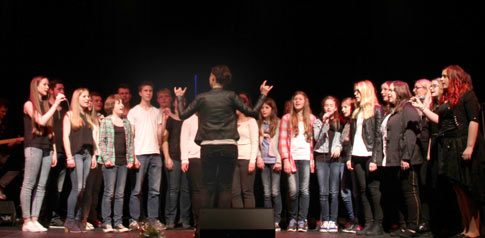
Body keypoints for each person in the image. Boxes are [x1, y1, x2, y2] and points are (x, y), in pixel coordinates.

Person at [174, 65, 273, 211]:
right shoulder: (231, 96)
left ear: (213, 78)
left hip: (208, 146)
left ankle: (206, 225)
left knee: (208, 186)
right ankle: (222, 226)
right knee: (226, 187)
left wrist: (180, 96)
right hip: (229, 146)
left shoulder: (202, 97)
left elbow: (182, 115)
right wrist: (263, 94)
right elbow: (252, 112)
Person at [411, 65, 484, 238]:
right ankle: (466, 228)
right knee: (458, 190)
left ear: (455, 77)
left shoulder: (468, 95)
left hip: (462, 142)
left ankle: (474, 230)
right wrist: (422, 108)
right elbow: (439, 120)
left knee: (467, 190)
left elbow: (474, 121)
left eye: (445, 76)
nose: (442, 79)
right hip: (450, 145)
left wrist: (470, 146)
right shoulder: (450, 99)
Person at [21, 76, 66, 232]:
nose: (47, 87)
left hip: (47, 147)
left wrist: (53, 150)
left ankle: (35, 219)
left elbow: (50, 130)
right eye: (45, 85)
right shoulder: (29, 104)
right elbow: (41, 121)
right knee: (29, 183)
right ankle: (26, 220)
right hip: (34, 146)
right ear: (36, 86)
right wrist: (54, 106)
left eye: (48, 84)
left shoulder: (47, 105)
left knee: (42, 185)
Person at [382, 81, 423, 236]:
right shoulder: (396, 110)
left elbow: (410, 134)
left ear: (399, 91)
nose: (389, 93)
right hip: (395, 159)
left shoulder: (408, 108)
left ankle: (414, 226)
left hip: (407, 158)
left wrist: (406, 157)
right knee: (399, 193)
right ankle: (404, 225)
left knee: (410, 192)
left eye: (392, 90)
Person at [346, 80, 384, 236]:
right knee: (362, 190)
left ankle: (378, 224)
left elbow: (378, 136)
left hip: (370, 155)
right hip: (357, 155)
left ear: (366, 92)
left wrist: (375, 158)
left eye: (358, 91)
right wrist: (349, 157)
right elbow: (352, 136)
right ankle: (368, 223)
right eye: (355, 91)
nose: (355, 94)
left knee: (373, 189)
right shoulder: (357, 112)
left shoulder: (377, 110)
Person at [127, 81, 165, 231]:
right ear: (140, 93)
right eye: (145, 91)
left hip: (155, 153)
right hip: (140, 153)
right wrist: (133, 156)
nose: (148, 93)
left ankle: (153, 219)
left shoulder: (157, 112)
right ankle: (134, 219)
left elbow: (159, 136)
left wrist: (164, 122)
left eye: (150, 91)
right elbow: (131, 135)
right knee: (137, 190)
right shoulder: (134, 111)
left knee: (155, 190)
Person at [63, 88, 99, 232]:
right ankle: (69, 219)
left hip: (87, 154)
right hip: (76, 154)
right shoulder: (70, 115)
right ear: (77, 98)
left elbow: (94, 138)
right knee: (77, 188)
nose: (87, 99)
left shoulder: (89, 117)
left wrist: (95, 155)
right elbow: (65, 136)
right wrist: (69, 156)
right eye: (84, 96)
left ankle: (78, 220)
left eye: (88, 96)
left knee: (83, 188)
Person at [279, 91, 316, 232]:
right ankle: (293, 218)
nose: (297, 101)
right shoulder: (286, 118)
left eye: (300, 99)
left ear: (305, 101)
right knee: (293, 191)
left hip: (306, 157)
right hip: (292, 158)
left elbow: (318, 137)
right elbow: (282, 141)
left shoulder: (311, 119)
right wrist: (285, 159)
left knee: (304, 190)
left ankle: (302, 220)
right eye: (295, 99)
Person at [98, 94, 134, 233]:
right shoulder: (106, 121)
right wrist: (106, 158)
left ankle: (118, 222)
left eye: (122, 103)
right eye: (118, 103)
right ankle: (107, 222)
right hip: (110, 163)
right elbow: (102, 142)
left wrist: (130, 160)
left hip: (123, 162)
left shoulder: (126, 123)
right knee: (109, 193)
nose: (121, 105)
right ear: (112, 105)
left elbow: (130, 143)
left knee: (120, 194)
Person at [313, 96, 343, 233]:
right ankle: (325, 220)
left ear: (336, 107)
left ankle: (333, 220)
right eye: (326, 105)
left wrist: (339, 147)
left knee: (334, 192)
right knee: (323, 192)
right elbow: (316, 138)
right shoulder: (318, 122)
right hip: (321, 159)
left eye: (331, 105)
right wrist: (324, 123)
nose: (329, 107)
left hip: (335, 160)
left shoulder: (339, 122)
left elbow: (344, 139)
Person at [43, 79, 69, 228]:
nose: (62, 92)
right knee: (46, 185)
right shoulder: (47, 106)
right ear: (52, 90)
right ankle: (42, 215)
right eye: (59, 89)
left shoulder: (65, 108)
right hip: (50, 150)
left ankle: (54, 216)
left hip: (64, 152)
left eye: (63, 89)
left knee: (59, 187)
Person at [162, 98, 191, 229]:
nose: (179, 104)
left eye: (182, 101)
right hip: (173, 157)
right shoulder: (170, 119)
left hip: (186, 158)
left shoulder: (188, 120)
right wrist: (167, 157)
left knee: (186, 190)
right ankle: (170, 220)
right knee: (173, 190)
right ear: (173, 103)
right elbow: (164, 140)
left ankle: (184, 219)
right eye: (177, 101)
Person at [256, 97, 282, 231]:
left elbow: (281, 144)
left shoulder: (278, 123)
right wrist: (258, 157)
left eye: (267, 107)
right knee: (266, 193)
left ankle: (277, 220)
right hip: (264, 162)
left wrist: (279, 160)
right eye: (262, 107)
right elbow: (256, 144)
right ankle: (268, 220)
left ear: (272, 109)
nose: (263, 110)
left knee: (275, 191)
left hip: (274, 161)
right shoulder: (258, 123)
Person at [79, 93, 104, 230]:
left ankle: (91, 217)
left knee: (95, 189)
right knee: (85, 188)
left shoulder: (99, 118)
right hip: (88, 155)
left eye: (100, 100)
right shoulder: (85, 119)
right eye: (95, 100)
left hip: (99, 157)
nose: (95, 103)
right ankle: (83, 218)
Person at [232, 93, 259, 209]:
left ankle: (249, 221)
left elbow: (255, 142)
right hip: (233, 159)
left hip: (247, 159)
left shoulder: (251, 121)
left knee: (247, 191)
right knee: (234, 192)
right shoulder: (232, 121)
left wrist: (252, 160)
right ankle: (239, 221)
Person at [339, 97, 360, 233]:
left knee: (355, 191)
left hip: (352, 158)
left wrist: (350, 158)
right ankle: (353, 219)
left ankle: (358, 220)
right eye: (342, 107)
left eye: (346, 107)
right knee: (345, 191)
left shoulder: (355, 122)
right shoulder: (347, 123)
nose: (343, 109)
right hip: (345, 159)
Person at [180, 113, 202, 230]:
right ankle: (198, 221)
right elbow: (184, 139)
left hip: (210, 157)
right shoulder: (188, 120)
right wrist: (184, 159)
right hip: (194, 157)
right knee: (197, 190)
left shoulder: (211, 117)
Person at [0, 98, 23, 200]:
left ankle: (1, 186)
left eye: (5, 112)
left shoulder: (6, 123)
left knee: (18, 164)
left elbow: (8, 140)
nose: (4, 114)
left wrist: (14, 142)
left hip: (5, 153)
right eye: (2, 111)